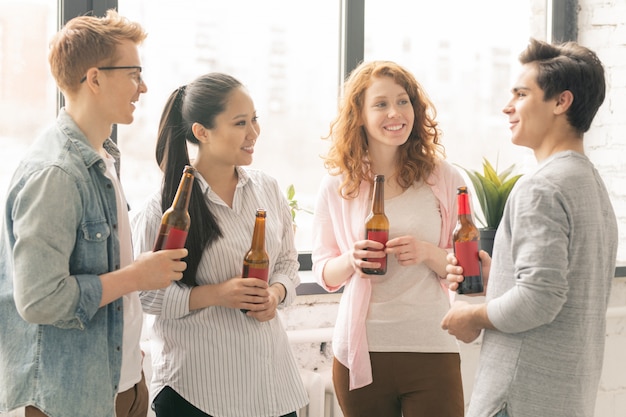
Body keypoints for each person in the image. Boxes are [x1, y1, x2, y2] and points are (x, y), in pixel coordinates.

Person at [0, 9, 188, 417]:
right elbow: (39, 300)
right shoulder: (55, 174)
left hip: (122, 383)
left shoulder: (103, 159)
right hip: (74, 398)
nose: (144, 87)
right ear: (95, 78)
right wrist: (138, 276)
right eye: (133, 74)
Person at [441, 38, 618, 417]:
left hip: (518, 398)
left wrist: (471, 315)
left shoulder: (541, 186)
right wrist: (498, 277)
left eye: (521, 94)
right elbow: (558, 287)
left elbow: (540, 299)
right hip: (564, 397)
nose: (508, 107)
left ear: (560, 102)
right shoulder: (591, 185)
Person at [130, 72, 309, 417]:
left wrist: (275, 294)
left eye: (254, 119)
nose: (253, 132)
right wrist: (215, 294)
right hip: (197, 392)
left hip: (270, 388)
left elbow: (287, 262)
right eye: (240, 123)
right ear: (202, 132)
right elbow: (145, 294)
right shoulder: (163, 208)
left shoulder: (268, 189)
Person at [311, 60, 466, 417]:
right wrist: (352, 259)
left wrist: (428, 252)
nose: (395, 112)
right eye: (380, 104)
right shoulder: (337, 185)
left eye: (403, 101)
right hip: (360, 352)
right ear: (359, 115)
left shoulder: (442, 177)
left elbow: (464, 266)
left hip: (431, 345)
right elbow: (323, 272)